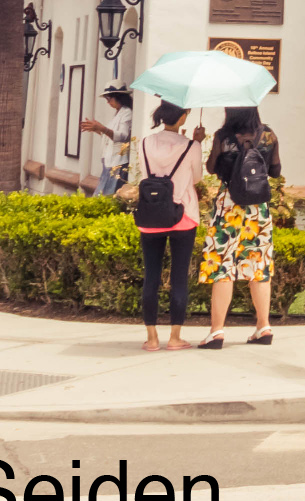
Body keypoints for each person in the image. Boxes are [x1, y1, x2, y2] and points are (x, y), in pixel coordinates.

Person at [198, 105, 282, 348]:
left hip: (229, 205)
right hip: (258, 207)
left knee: (222, 264)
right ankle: (263, 327)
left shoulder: (223, 137)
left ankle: (216, 332)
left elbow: (212, 168)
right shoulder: (268, 135)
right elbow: (276, 171)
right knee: (259, 263)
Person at [126, 101, 199, 351]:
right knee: (179, 277)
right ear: (181, 118)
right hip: (183, 215)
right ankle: (175, 337)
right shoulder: (191, 145)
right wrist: (196, 141)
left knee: (151, 276)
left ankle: (152, 337)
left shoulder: (145, 142)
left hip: (151, 215)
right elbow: (197, 178)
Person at [80, 88, 134, 198]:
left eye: (109, 99)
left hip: (118, 161)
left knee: (109, 195)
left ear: (119, 97)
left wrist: (102, 128)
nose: (108, 102)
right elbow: (111, 136)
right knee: (103, 193)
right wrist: (98, 130)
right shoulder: (118, 113)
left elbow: (122, 136)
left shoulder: (127, 113)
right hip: (109, 160)